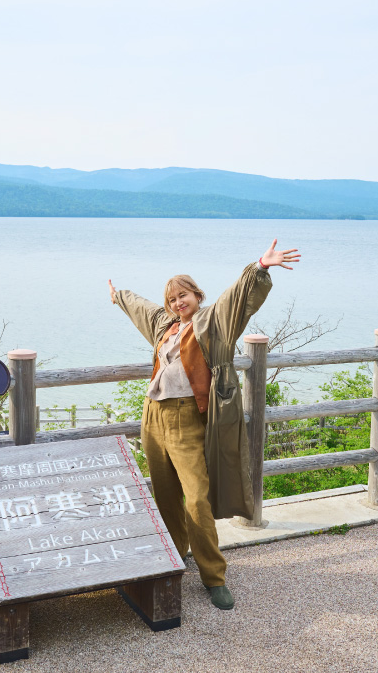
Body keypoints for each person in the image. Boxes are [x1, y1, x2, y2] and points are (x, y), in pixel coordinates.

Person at [108, 239, 300, 610]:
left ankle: (214, 576)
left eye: (183, 295)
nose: (177, 303)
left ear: (197, 295)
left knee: (196, 498)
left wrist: (260, 267)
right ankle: (175, 557)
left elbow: (237, 298)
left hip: (187, 418)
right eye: (172, 299)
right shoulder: (165, 326)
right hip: (153, 416)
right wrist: (120, 297)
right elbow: (143, 309)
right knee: (165, 494)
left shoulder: (213, 321)